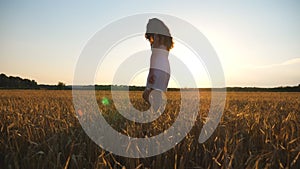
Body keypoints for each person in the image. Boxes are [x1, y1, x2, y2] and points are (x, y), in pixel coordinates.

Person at [143, 18, 174, 112]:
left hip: (157, 67)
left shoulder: (156, 37)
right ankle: (156, 111)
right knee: (157, 93)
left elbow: (154, 55)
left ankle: (155, 111)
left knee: (147, 94)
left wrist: (151, 71)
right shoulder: (166, 40)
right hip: (166, 67)